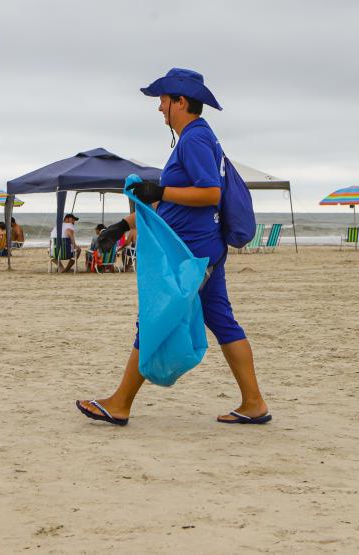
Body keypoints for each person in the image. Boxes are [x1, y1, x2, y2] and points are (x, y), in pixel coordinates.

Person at [76, 68, 269, 426]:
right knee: (222, 321)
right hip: (201, 250)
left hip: (190, 255)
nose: (159, 108)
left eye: (163, 100)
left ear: (181, 101)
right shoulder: (199, 138)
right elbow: (172, 204)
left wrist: (160, 191)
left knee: (155, 316)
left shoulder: (194, 138)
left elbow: (210, 193)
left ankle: (120, 403)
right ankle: (254, 402)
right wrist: (123, 225)